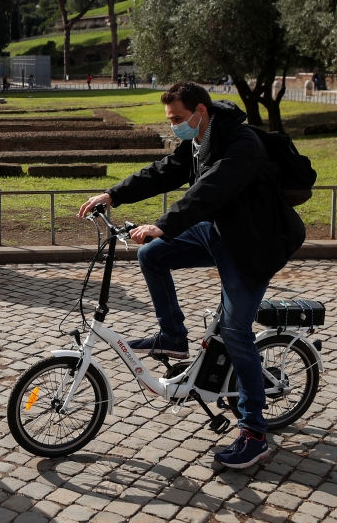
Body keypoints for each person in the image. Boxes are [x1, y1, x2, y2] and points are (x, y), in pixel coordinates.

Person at [77, 82, 305, 470]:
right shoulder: (200, 137)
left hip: (252, 245)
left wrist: (164, 224)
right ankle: (174, 337)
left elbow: (211, 191)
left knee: (236, 333)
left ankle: (254, 433)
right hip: (219, 231)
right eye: (170, 122)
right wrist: (112, 195)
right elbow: (165, 171)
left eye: (179, 119)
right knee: (152, 256)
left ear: (201, 110)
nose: (175, 127)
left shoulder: (241, 144)